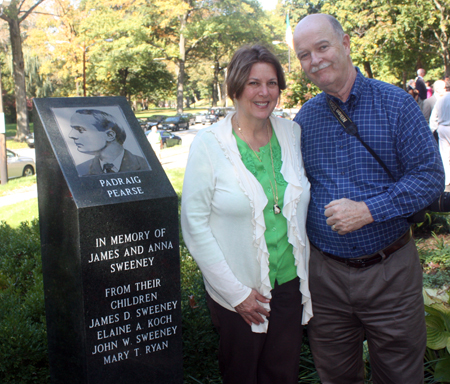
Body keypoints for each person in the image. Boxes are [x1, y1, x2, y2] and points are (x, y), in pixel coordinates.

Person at [293, 14, 444, 384]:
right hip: (324, 278)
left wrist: (368, 210)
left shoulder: (396, 104)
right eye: (304, 54)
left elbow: (430, 178)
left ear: (345, 43)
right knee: (336, 376)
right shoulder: (304, 119)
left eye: (323, 47)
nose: (315, 60)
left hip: (389, 272)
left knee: (399, 375)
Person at [181, 44, 312, 384]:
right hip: (239, 292)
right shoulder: (209, 144)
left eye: (272, 83)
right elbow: (194, 224)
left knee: (282, 376)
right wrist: (235, 293)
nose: (264, 92)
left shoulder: (292, 134)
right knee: (242, 377)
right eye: (254, 83)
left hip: (289, 286)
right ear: (236, 88)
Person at [69, 109, 149, 176]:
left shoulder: (145, 165)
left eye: (80, 130)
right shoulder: (80, 170)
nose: (71, 135)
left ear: (110, 135)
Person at [430, 79, 450, 188]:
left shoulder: (441, 99)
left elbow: (433, 117)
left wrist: (433, 129)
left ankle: (447, 179)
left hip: (442, 128)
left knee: (444, 155)